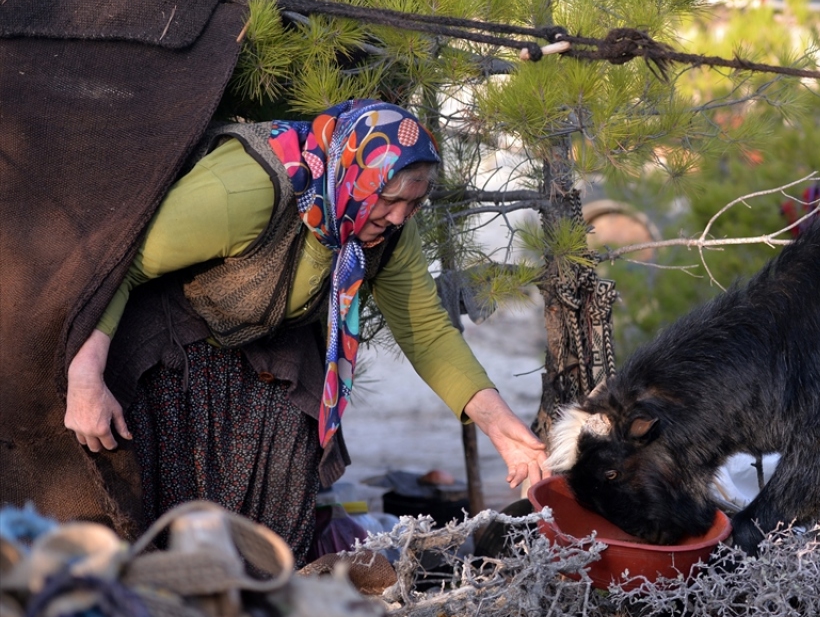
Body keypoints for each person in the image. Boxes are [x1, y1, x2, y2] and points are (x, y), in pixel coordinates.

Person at [63, 99, 547, 557]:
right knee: (176, 532)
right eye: (390, 199)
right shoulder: (244, 191)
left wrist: (501, 427)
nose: (400, 216)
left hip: (273, 359)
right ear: (357, 176)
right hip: (177, 355)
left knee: (273, 529)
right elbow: (117, 266)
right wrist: (84, 377)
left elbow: (425, 330)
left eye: (415, 203)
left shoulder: (388, 225)